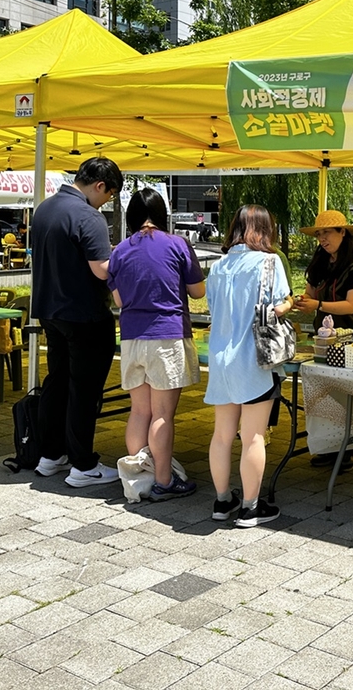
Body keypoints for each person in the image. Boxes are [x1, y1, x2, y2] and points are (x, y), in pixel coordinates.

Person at [31, 157, 123, 488]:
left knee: (56, 382)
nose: (107, 201)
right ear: (100, 186)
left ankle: (50, 455)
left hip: (49, 311)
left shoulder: (44, 208)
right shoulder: (88, 215)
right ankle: (83, 465)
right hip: (83, 314)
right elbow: (101, 269)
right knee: (84, 390)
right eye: (110, 195)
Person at [109, 187, 205, 500]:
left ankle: (139, 478)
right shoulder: (178, 244)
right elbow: (198, 291)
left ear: (131, 217)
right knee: (163, 413)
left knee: (139, 411)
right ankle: (164, 482)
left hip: (132, 338)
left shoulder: (120, 250)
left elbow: (120, 299)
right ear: (162, 215)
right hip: (167, 336)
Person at [205, 204, 293, 526]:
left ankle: (222, 501)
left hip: (220, 359)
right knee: (253, 435)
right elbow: (278, 306)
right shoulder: (270, 263)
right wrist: (288, 304)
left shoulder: (217, 267)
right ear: (265, 230)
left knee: (222, 435)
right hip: (253, 360)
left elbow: (213, 310)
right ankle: (251, 507)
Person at [293, 210, 353, 470]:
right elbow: (310, 291)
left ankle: (348, 450)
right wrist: (301, 301)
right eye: (318, 234)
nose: (322, 238)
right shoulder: (321, 260)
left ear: (344, 233)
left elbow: (351, 305)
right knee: (325, 395)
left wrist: (317, 304)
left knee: (347, 396)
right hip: (325, 339)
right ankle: (329, 446)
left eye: (327, 232)